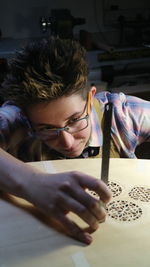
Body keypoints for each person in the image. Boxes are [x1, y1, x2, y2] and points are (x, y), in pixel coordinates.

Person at [0, 37, 150, 244]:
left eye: (75, 120)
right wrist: (32, 183)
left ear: (91, 98)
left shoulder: (121, 114)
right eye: (46, 128)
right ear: (25, 116)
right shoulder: (16, 118)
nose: (68, 143)